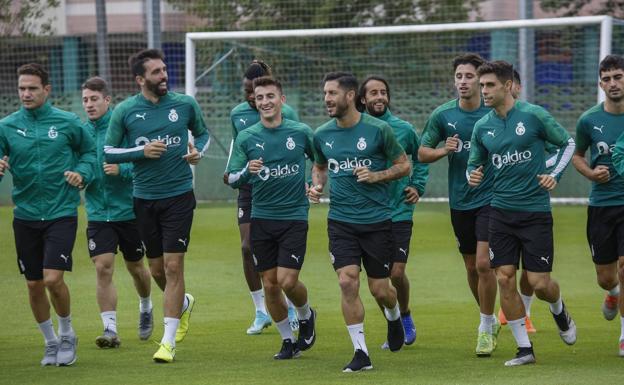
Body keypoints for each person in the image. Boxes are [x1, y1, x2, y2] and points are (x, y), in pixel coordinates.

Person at [467, 60, 577, 366]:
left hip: (535, 212)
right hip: (500, 212)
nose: (483, 90)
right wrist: (471, 176)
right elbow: (473, 164)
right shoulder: (482, 126)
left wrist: (553, 173)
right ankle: (524, 348)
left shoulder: (534, 115)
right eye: (482, 85)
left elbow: (568, 143)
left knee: (540, 283)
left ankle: (558, 309)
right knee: (504, 278)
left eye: (489, 85)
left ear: (506, 85)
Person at [104, 49, 210, 363]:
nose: (163, 76)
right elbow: (109, 152)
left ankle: (167, 343)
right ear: (140, 79)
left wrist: (197, 152)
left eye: (164, 70)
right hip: (143, 198)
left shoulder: (185, 103)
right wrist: (141, 152)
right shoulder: (125, 111)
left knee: (175, 267)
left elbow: (202, 134)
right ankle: (184, 303)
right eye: (156, 72)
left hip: (178, 195)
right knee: (157, 270)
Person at [309, 72, 410, 372]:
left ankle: (394, 317)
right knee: (347, 281)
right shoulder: (322, 134)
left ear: (350, 96)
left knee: (381, 289)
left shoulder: (379, 130)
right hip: (340, 222)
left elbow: (405, 165)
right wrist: (316, 185)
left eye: (332, 93)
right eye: (325, 93)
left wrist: (377, 175)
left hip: (378, 221)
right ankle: (361, 352)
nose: (327, 98)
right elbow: (319, 166)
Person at [0, 63, 96, 366]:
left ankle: (67, 333)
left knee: (53, 279)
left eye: (32, 88)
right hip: (25, 214)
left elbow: (90, 153)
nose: (26, 94)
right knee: (33, 284)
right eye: (22, 89)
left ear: (47, 89)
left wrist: (82, 173)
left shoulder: (68, 122)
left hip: (61, 211)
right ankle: (50, 341)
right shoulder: (6, 125)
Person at [227, 76, 317, 359]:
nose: (265, 101)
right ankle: (288, 342)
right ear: (254, 101)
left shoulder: (301, 132)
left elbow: (321, 161)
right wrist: (246, 172)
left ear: (282, 100)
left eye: (270, 96)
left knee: (287, 281)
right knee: (270, 284)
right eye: (260, 97)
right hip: (261, 216)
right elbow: (230, 177)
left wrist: (314, 185)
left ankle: (305, 313)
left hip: (293, 216)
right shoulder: (246, 137)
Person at [418, 53, 500, 356]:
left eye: (469, 76)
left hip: (491, 197)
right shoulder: (443, 116)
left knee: (483, 263)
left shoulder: (494, 113)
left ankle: (483, 328)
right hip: (460, 201)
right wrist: (443, 151)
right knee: (470, 266)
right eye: (459, 77)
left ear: (480, 80)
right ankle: (490, 319)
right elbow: (421, 152)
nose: (463, 82)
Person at [81, 76, 154, 348]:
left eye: (94, 99)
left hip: (130, 211)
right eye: (85, 100)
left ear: (107, 100)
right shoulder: (81, 132)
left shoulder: (124, 127)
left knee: (137, 267)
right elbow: (77, 162)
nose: (89, 105)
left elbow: (145, 161)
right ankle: (110, 329)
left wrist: (121, 169)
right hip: (99, 213)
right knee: (103, 267)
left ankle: (146, 306)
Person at [358, 75, 429, 347]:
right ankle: (394, 322)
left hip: (399, 211)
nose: (379, 98)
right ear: (363, 99)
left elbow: (420, 157)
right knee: (379, 280)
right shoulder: (355, 129)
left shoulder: (402, 128)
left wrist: (417, 186)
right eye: (373, 93)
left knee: (396, 274)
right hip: (369, 214)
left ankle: (406, 315)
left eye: (383, 92)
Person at [575, 54, 624, 357]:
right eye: (607, 79)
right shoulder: (589, 120)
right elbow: (578, 155)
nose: (613, 83)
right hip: (602, 205)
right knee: (606, 275)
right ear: (600, 83)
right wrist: (592, 173)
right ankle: (613, 293)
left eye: (618, 76)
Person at [497, 69, 539, 333]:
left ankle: (526, 311)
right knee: (503, 271)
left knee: (534, 273)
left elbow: (559, 147)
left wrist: (545, 171)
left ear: (515, 87)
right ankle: (510, 318)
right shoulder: (489, 121)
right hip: (498, 204)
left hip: (533, 203)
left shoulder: (533, 116)